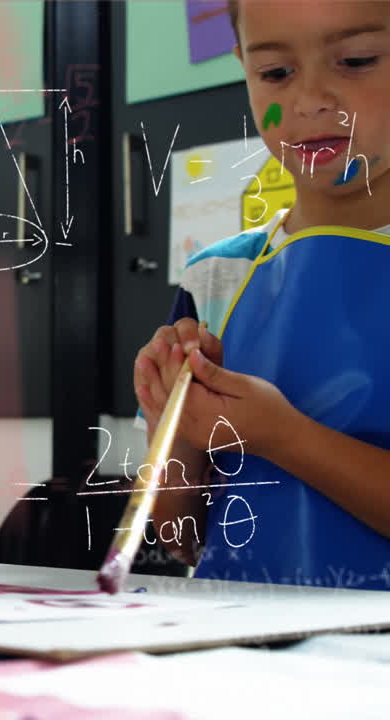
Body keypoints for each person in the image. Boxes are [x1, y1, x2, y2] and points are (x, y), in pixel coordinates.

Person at [135, 0, 390, 589]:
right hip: (244, 658)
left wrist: (284, 437)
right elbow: (183, 536)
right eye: (275, 73)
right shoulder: (216, 278)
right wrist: (168, 421)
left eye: (355, 61)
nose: (308, 100)